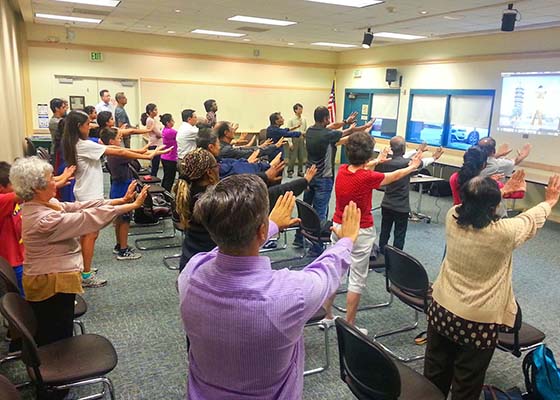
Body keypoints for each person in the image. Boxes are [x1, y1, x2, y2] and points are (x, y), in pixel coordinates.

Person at [178, 174, 361, 399]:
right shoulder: (290, 294)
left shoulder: (191, 273)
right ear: (261, 231)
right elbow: (326, 272)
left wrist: (269, 226)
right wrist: (346, 241)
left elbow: (223, 249)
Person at [9, 157, 148, 392]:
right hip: (50, 283)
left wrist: (120, 200)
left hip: (52, 278)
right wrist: (130, 207)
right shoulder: (43, 218)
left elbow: (79, 207)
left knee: (56, 330)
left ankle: (55, 379)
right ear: (36, 188)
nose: (56, 182)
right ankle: (55, 386)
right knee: (56, 336)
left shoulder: (45, 203)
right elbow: (86, 219)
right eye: (51, 179)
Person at [424, 174, 560, 400]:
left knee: (434, 372)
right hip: (477, 322)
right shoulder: (504, 233)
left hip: (441, 309)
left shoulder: (452, 215)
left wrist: (502, 191)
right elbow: (530, 219)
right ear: (493, 207)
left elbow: (473, 204)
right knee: (467, 383)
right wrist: (550, 201)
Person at [321, 132, 423, 332]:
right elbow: (393, 176)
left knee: (335, 273)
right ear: (368, 154)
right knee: (356, 278)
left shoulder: (342, 170)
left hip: (338, 227)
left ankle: (327, 316)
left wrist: (377, 161)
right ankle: (350, 326)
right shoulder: (367, 177)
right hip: (360, 231)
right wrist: (412, 167)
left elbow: (362, 169)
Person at [62, 110, 170, 287]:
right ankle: (86, 275)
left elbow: (117, 147)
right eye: (88, 125)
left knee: (89, 234)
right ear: (79, 127)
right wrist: (145, 155)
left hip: (87, 193)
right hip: (89, 194)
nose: (90, 127)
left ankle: (83, 268)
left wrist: (141, 151)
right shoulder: (83, 145)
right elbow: (116, 150)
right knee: (90, 234)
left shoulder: (78, 143)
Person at [293, 107, 369, 251]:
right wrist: (363, 129)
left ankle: (298, 238)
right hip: (323, 178)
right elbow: (348, 133)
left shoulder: (310, 131)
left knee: (305, 209)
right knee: (320, 213)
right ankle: (316, 247)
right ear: (325, 119)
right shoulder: (328, 135)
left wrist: (346, 121)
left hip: (309, 176)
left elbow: (334, 127)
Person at [376, 136, 443, 252]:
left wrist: (418, 150)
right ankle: (396, 257)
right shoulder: (408, 164)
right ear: (403, 149)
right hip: (401, 206)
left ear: (391, 148)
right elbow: (422, 163)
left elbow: (401, 157)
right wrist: (434, 157)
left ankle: (381, 252)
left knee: (385, 230)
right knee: (399, 234)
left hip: (387, 204)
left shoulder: (384, 162)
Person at [100, 128, 147, 260]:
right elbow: (135, 155)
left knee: (119, 219)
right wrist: (149, 152)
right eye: (119, 138)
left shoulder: (112, 153)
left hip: (118, 186)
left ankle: (119, 244)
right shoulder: (117, 155)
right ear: (111, 141)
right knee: (125, 220)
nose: (121, 140)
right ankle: (123, 250)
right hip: (122, 188)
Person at [175, 149, 220, 271]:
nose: (219, 168)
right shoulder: (213, 201)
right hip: (207, 264)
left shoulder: (184, 193)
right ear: (209, 172)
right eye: (216, 165)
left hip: (189, 259)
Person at [141, 103, 163, 177]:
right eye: (155, 110)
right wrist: (162, 134)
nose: (157, 111)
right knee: (155, 164)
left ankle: (154, 176)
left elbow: (159, 130)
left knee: (156, 163)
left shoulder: (154, 119)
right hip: (154, 143)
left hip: (157, 142)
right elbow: (158, 133)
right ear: (150, 111)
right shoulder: (150, 120)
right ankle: (153, 177)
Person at [287, 103, 308, 178]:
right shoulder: (291, 120)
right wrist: (290, 143)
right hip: (294, 139)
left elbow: (305, 130)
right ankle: (290, 171)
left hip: (301, 139)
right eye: (299, 109)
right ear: (295, 110)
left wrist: (305, 141)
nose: (301, 110)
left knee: (301, 157)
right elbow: (288, 132)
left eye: (301, 109)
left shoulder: (304, 119)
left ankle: (300, 171)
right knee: (292, 157)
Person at [160, 113, 178, 192]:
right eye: (172, 120)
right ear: (168, 122)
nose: (173, 122)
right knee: (170, 179)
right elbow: (180, 135)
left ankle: (163, 193)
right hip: (170, 158)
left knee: (166, 177)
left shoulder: (164, 130)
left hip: (164, 157)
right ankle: (167, 195)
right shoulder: (171, 131)